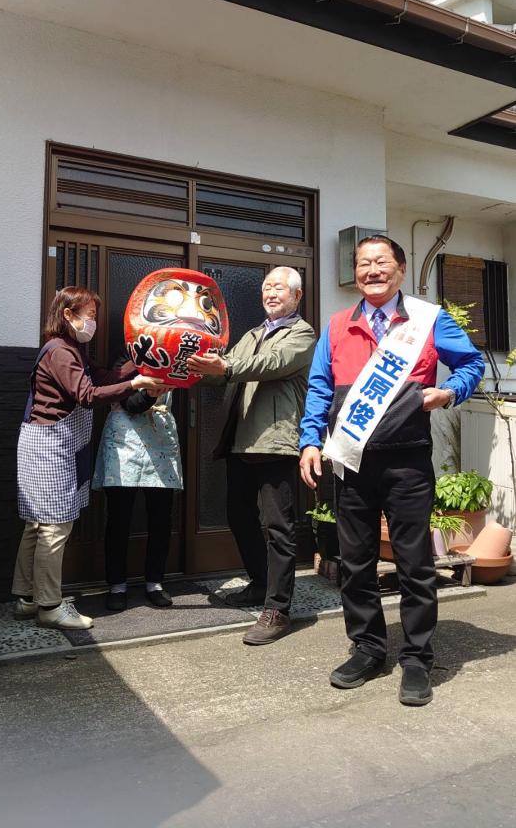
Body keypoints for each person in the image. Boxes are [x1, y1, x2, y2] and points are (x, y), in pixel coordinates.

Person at [299, 237, 484, 705]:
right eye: (364, 263)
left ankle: (417, 657)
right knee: (355, 562)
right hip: (351, 461)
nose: (372, 270)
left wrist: (449, 393)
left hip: (407, 461)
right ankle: (368, 648)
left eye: (381, 262)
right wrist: (309, 441)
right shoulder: (338, 325)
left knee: (414, 564)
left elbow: (471, 363)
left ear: (400, 270)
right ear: (355, 274)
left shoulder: (427, 319)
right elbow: (319, 387)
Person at [12, 287, 163, 631]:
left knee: (36, 525)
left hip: (52, 444)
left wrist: (137, 363)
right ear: (68, 314)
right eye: (90, 315)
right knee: (54, 527)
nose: (93, 322)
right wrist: (135, 384)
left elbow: (104, 376)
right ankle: (50, 606)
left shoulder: (72, 349)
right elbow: (87, 394)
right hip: (48, 447)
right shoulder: (60, 352)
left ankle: (27, 598)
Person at [187, 267, 316, 645]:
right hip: (241, 441)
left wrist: (225, 366)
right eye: (266, 288)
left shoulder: (302, 334)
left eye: (278, 288)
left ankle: (278, 609)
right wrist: (190, 368)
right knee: (239, 516)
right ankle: (260, 583)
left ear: (297, 295)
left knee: (279, 528)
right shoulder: (252, 334)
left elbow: (271, 364)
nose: (270, 293)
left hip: (276, 442)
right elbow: (222, 370)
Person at [92, 356, 182, 612]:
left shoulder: (173, 358)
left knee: (161, 517)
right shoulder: (124, 360)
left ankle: (155, 582)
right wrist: (150, 394)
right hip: (124, 443)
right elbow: (130, 403)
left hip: (160, 439)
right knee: (119, 518)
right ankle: (117, 585)